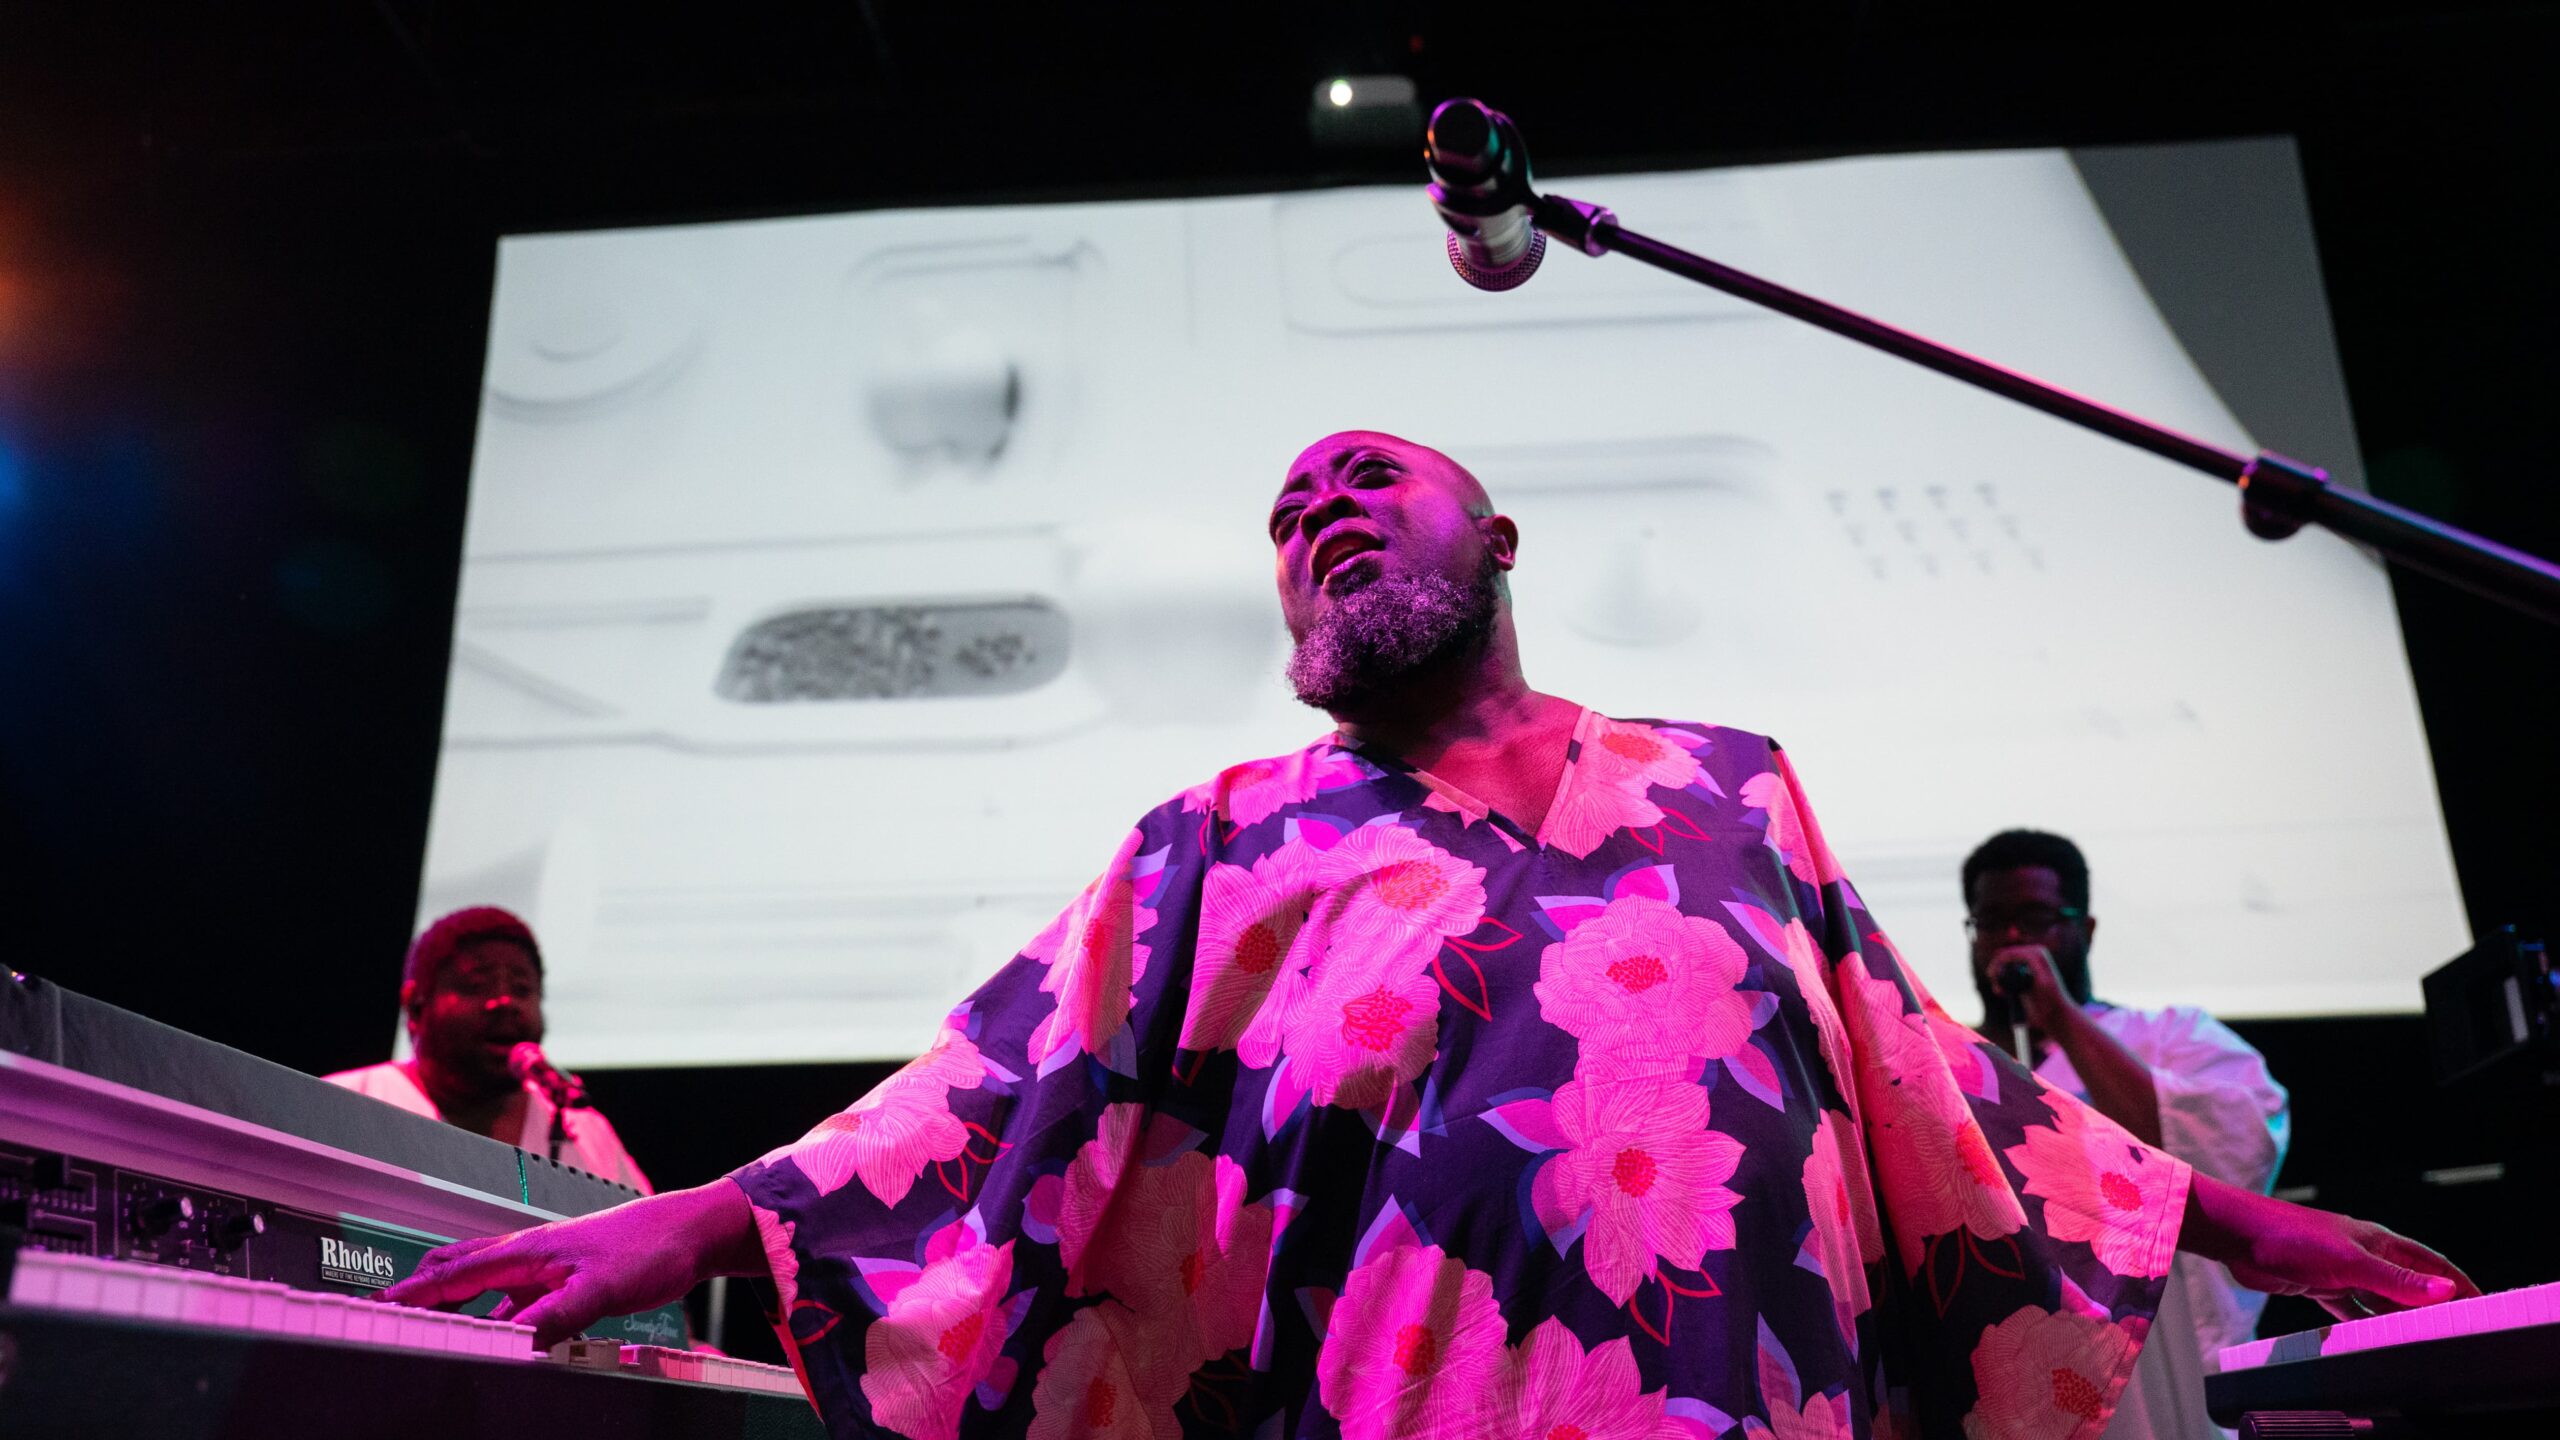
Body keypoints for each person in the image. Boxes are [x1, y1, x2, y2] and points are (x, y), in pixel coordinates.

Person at [389, 433, 2467, 1440]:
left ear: (1497, 540)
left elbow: (1934, 1089)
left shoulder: (1731, 787)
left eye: (1363, 483)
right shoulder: (1218, 837)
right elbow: (981, 1091)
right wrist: (697, 1222)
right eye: (1287, 518)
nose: (1316, 515)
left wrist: (2246, 1224)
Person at [1965, 829, 2292, 1440]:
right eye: (1991, 921)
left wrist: (2059, 1015)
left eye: (2034, 919)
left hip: (2162, 1385)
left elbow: (2228, 1155)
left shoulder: (2175, 1036)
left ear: (2084, 930)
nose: (2011, 938)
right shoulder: (1945, 1067)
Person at [326, 905, 651, 1194]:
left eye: (522, 988)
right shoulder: (343, 1102)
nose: (505, 1002)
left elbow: (648, 1235)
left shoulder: (581, 1131)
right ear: (415, 1006)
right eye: (476, 986)